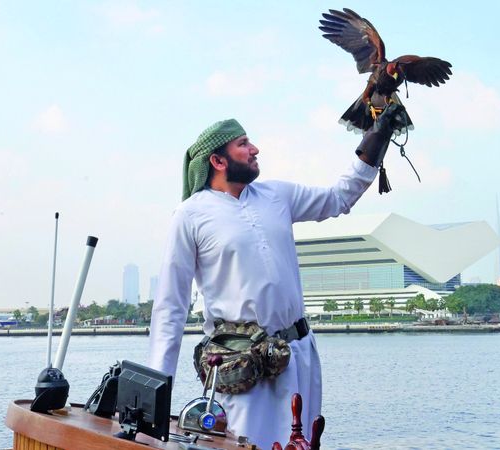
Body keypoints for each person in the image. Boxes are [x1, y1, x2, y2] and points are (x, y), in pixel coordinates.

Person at [147, 104, 404, 449]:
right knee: (248, 443)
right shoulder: (190, 215)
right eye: (243, 143)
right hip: (243, 365)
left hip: (300, 355)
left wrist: (378, 136)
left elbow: (338, 198)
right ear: (218, 161)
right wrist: (156, 397)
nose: (254, 149)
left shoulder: (276, 195)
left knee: (304, 442)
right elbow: (170, 309)